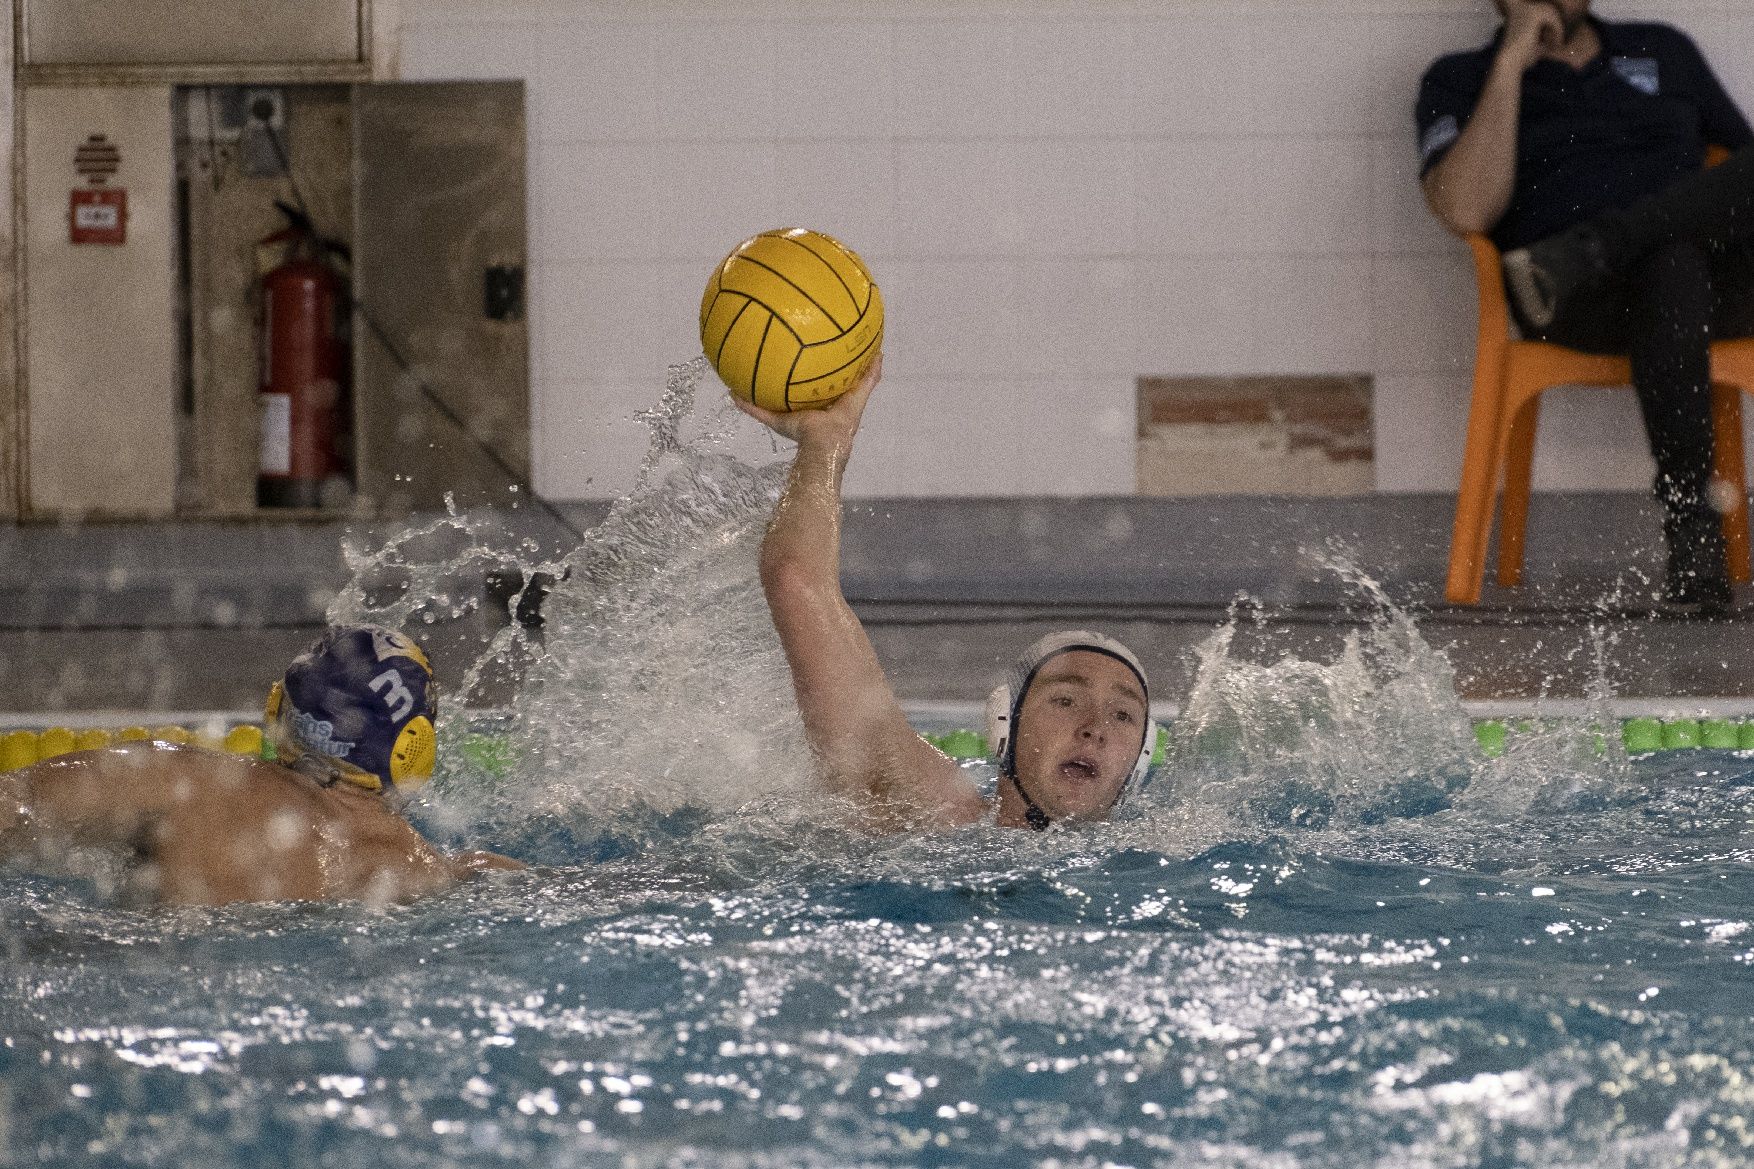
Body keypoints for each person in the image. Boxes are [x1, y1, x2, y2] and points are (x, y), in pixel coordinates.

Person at [1417, 0, 1754, 609]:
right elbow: (1464, 210)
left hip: (1708, 285)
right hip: (1570, 301)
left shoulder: (1662, 48)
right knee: (1672, 269)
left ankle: (1596, 246)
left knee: (1678, 264)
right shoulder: (1460, 77)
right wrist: (1510, 66)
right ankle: (1691, 530)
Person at [734, 355, 1157, 831]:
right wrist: (825, 444)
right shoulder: (928, 811)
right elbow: (796, 583)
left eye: (1123, 716)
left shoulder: (1170, 856)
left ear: (1140, 760)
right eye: (1065, 700)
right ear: (1005, 723)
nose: (1094, 729)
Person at [0, 624, 521, 906]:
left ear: (280, 713)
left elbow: (11, 808)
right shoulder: (437, 876)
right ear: (414, 749)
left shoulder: (179, 783)